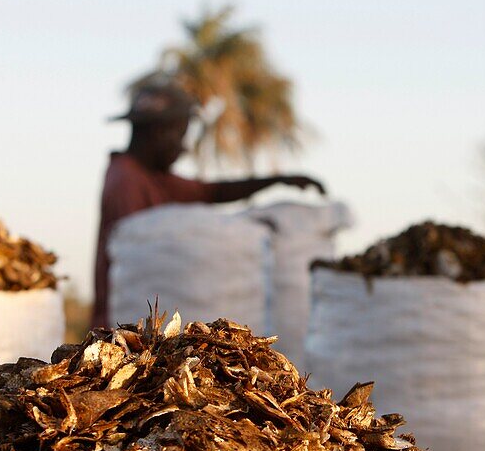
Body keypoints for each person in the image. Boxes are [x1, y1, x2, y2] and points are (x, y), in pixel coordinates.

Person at [92, 81, 325, 329]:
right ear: (161, 132)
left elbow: (211, 191)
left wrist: (278, 180)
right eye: (181, 134)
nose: (183, 147)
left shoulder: (155, 177)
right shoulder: (125, 181)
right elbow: (142, 253)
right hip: (121, 329)